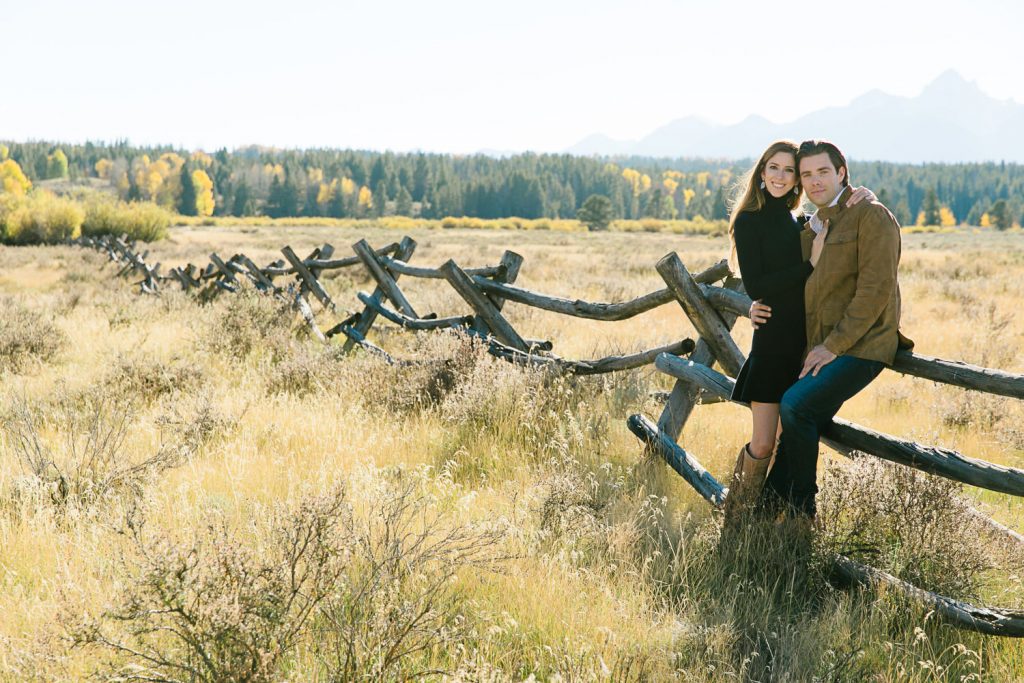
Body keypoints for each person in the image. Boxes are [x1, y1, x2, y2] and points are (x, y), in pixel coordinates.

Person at [749, 139, 912, 520]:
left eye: (823, 171)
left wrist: (833, 346)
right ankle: (764, 514)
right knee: (798, 416)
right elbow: (784, 278)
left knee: (797, 405)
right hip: (823, 346)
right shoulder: (815, 225)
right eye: (806, 175)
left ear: (841, 172)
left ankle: (802, 511)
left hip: (863, 345)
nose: (814, 181)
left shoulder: (872, 216)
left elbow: (875, 292)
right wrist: (752, 303)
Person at [725, 140, 874, 513]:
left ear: (797, 182)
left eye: (789, 171)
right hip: (774, 343)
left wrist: (863, 194)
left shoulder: (802, 223)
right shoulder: (748, 221)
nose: (781, 176)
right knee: (762, 444)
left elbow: (843, 214)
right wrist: (808, 266)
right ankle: (737, 515)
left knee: (782, 444)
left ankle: (767, 521)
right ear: (761, 173)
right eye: (773, 168)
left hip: (804, 343)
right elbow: (758, 285)